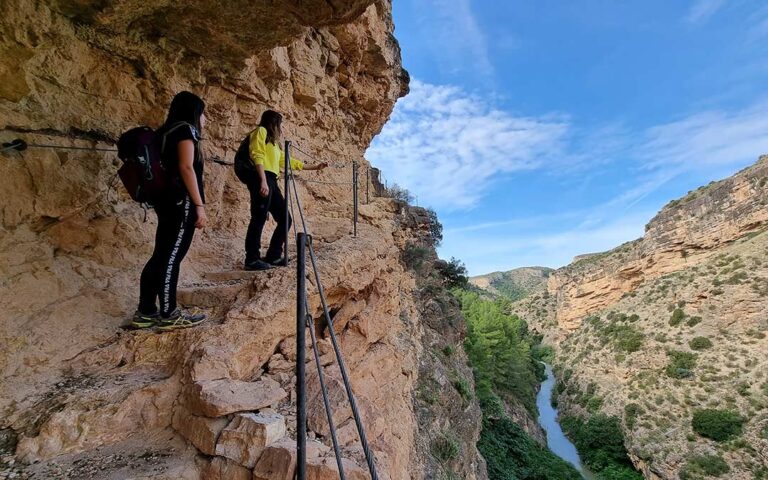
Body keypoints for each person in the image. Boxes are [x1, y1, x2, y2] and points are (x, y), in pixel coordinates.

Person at [131, 91, 208, 330]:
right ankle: (169, 313)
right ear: (194, 112)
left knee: (161, 254)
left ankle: (145, 311)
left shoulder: (164, 132)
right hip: (180, 202)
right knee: (171, 257)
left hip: (165, 201)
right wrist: (198, 205)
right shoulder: (185, 129)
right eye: (203, 113)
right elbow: (186, 168)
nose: (205, 119)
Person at [242, 110, 326, 270]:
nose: (282, 128)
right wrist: (263, 180)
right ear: (273, 123)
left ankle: (273, 255)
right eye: (280, 124)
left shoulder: (274, 144)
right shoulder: (261, 131)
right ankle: (251, 259)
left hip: (272, 180)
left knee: (285, 218)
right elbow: (257, 155)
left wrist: (314, 166)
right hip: (262, 178)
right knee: (258, 218)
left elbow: (288, 161)